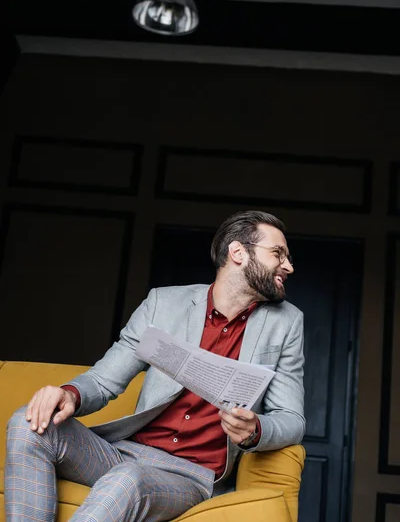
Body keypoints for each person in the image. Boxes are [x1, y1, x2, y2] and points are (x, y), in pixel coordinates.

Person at [5, 210, 305, 522]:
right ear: (239, 252)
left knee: (129, 480)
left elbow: (292, 419)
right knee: (28, 425)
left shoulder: (286, 323)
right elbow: (104, 381)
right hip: (125, 453)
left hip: (191, 476)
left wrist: (255, 430)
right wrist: (69, 395)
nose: (288, 266)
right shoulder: (162, 304)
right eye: (277, 254)